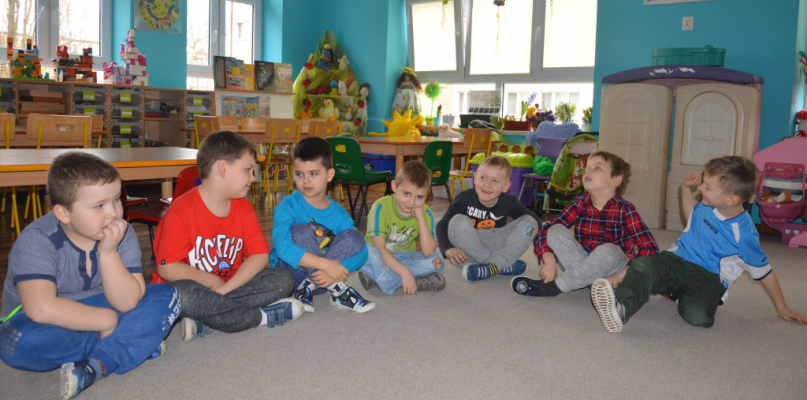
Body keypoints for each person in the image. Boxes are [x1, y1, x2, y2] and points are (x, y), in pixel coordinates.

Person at [0, 152, 180, 399]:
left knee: (168, 294)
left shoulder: (122, 234)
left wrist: (108, 253)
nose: (113, 213)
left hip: (103, 304)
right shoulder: (37, 240)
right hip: (40, 320)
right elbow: (40, 309)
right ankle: (131, 343)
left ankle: (98, 364)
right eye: (99, 206)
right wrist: (106, 321)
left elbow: (128, 301)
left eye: (116, 200)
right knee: (19, 344)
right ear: (63, 213)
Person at [591, 156, 807, 333]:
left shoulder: (744, 235)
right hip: (678, 259)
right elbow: (693, 219)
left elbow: (765, 272)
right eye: (703, 183)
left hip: (708, 277)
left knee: (697, 318)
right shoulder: (706, 205)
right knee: (645, 265)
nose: (701, 187)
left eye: (707, 187)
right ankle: (620, 307)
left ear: (731, 199)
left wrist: (782, 307)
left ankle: (675, 291)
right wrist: (685, 189)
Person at [152, 131, 302, 342]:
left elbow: (260, 255)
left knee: (283, 279)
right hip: (194, 288)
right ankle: (260, 317)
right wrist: (213, 282)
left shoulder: (243, 207)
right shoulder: (181, 211)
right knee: (180, 293)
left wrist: (223, 291)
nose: (253, 178)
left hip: (229, 284)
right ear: (222, 168)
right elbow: (168, 269)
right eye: (248, 170)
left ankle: (205, 318)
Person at [512, 151, 659, 297]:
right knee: (555, 229)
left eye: (597, 168)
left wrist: (623, 274)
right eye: (586, 169)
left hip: (613, 269)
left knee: (609, 250)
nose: (587, 171)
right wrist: (549, 259)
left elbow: (650, 248)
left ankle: (554, 287)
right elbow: (546, 231)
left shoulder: (626, 210)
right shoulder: (580, 203)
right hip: (582, 261)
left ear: (615, 180)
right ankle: (587, 280)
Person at [271, 136, 373, 313]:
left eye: (313, 173)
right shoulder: (288, 205)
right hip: (290, 277)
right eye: (299, 174)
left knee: (355, 237)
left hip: (322, 280)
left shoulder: (338, 213)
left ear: (329, 175)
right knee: (300, 232)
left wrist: (335, 271)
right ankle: (337, 289)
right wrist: (327, 265)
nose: (306, 180)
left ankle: (315, 286)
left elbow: (362, 250)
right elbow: (283, 248)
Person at [436, 155, 540, 281]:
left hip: (496, 246)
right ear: (475, 178)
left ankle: (491, 266)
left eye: (495, 181)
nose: (487, 185)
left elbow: (535, 223)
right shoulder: (464, 198)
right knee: (457, 220)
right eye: (483, 177)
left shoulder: (510, 202)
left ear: (506, 186)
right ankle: (500, 265)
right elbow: (442, 225)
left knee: (530, 224)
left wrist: (544, 250)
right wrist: (447, 249)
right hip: (469, 253)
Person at [358, 160, 446, 295]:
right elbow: (379, 248)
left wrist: (421, 219)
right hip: (379, 255)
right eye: (407, 194)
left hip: (405, 257)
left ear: (427, 194)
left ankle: (381, 277)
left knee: (438, 261)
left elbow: (428, 251)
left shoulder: (426, 213)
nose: (411, 202)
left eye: (419, 197)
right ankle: (410, 279)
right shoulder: (380, 207)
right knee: (362, 253)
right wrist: (405, 272)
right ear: (394, 186)